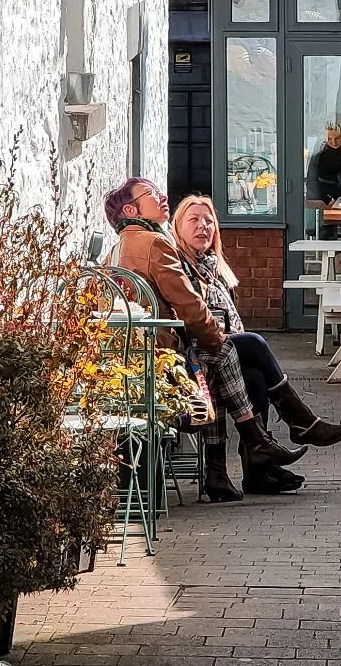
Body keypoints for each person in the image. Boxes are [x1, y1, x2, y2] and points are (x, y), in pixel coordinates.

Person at [103, 178, 306, 502]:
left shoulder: (115, 249)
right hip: (162, 361)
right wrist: (215, 338)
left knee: (241, 363)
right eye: (152, 195)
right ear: (131, 209)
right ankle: (258, 441)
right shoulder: (155, 244)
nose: (163, 197)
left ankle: (237, 462)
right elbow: (190, 306)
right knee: (228, 351)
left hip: (132, 359)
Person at [173, 195, 341, 495]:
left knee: (254, 374)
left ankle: (256, 470)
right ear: (178, 228)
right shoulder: (178, 267)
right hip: (194, 356)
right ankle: (299, 422)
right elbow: (194, 322)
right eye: (194, 220)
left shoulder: (215, 268)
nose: (203, 226)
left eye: (209, 221)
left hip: (220, 352)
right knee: (254, 344)